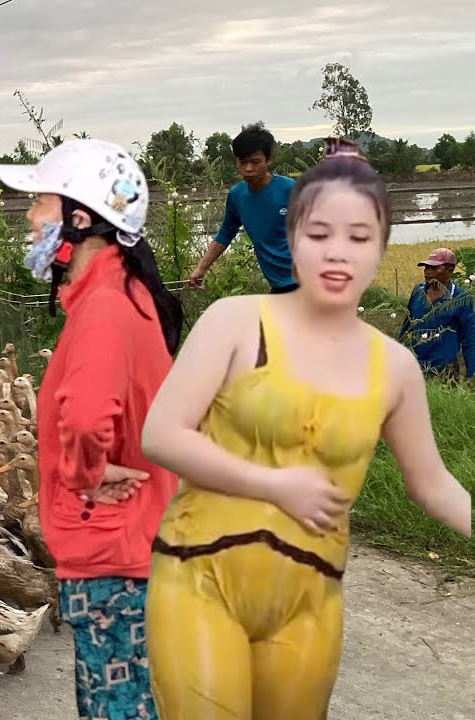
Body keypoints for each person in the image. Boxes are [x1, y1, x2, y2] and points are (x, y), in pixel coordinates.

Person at [140, 138, 472, 719]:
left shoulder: (393, 367)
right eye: (319, 234)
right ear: (291, 239)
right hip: (200, 578)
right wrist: (274, 484)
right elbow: (162, 434)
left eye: (359, 237)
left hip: (310, 598)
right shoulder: (235, 322)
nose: (337, 253)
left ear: (380, 250)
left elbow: (432, 484)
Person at [0, 139, 183, 720]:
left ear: (81, 221)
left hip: (113, 554)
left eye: (40, 203)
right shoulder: (117, 294)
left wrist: (88, 472)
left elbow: (83, 416)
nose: (29, 216)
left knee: (118, 709)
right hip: (120, 544)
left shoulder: (104, 305)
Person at [187, 123, 298, 293]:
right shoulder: (237, 195)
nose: (248, 169)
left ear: (268, 160)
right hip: (279, 284)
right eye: (243, 162)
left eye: (255, 162)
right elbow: (225, 233)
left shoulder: (290, 190)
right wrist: (201, 268)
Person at [399, 247, 475, 379]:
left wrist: (472, 373)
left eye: (434, 268)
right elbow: (407, 327)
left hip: (444, 370)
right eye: (426, 267)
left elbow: (470, 338)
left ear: (449, 271)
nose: (427, 272)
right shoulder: (418, 291)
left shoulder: (460, 298)